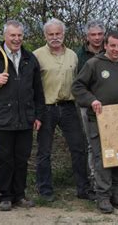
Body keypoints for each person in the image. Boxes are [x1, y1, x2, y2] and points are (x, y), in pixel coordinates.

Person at [0, 20, 45, 211]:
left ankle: (19, 195)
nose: (16, 39)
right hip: (2, 118)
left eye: (19, 35)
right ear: (5, 36)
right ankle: (5, 197)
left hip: (25, 118)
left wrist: (38, 115)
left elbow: (38, 91)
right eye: (12, 35)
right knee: (5, 158)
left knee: (22, 158)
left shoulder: (30, 58)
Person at [72, 31, 118, 213]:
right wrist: (91, 100)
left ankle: (116, 193)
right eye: (112, 45)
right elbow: (78, 86)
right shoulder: (94, 64)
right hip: (99, 119)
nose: (116, 49)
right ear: (105, 45)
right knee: (102, 158)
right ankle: (103, 196)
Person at [33, 18, 91, 202]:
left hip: (68, 107)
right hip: (46, 108)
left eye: (58, 34)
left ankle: (83, 188)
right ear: (45, 35)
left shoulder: (73, 55)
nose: (55, 37)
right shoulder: (36, 56)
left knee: (78, 148)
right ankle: (45, 190)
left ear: (63, 34)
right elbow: (32, 86)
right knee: (44, 151)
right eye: (51, 34)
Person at [76, 20, 106, 192]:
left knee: (109, 142)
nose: (96, 38)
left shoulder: (110, 51)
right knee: (91, 144)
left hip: (108, 105)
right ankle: (95, 180)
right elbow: (78, 84)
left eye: (99, 34)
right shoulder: (79, 55)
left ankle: (110, 181)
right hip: (88, 106)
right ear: (87, 36)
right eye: (93, 34)